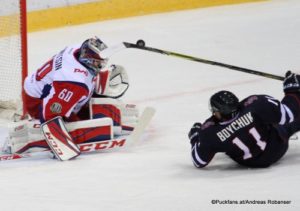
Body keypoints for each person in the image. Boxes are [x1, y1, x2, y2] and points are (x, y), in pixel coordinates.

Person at [188, 71, 300, 168]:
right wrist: (292, 89)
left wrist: (195, 137)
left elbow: (199, 161)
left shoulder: (209, 133)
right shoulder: (257, 104)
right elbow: (288, 113)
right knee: (287, 124)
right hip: (277, 148)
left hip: (251, 163)